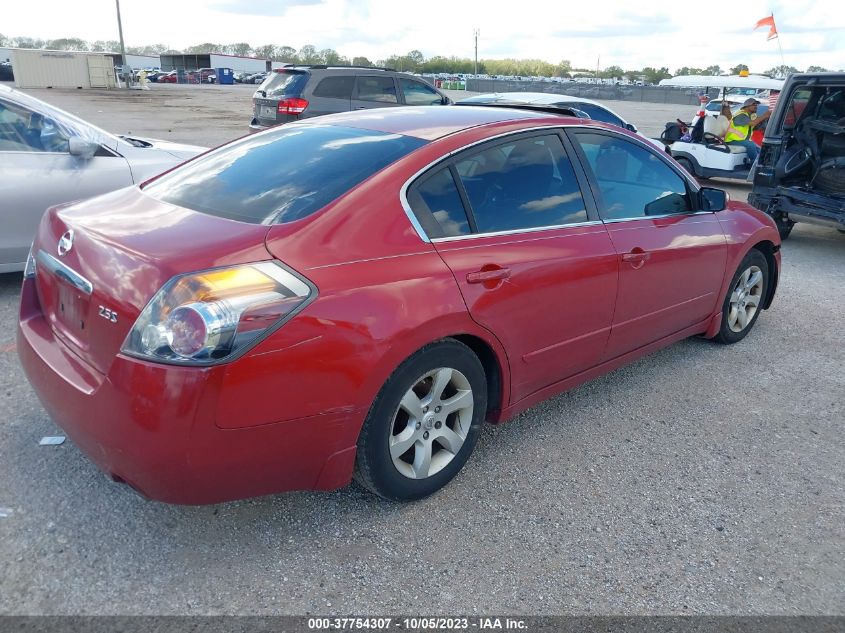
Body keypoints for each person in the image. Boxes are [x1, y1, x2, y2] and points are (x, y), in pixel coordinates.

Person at [725, 98, 771, 162]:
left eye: (756, 105)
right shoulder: (741, 115)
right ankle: (754, 165)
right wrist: (764, 116)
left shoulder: (751, 115)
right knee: (751, 145)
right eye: (753, 104)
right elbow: (753, 123)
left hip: (742, 140)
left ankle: (763, 163)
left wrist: (764, 120)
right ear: (747, 106)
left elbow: (756, 126)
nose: (756, 106)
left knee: (759, 149)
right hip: (732, 140)